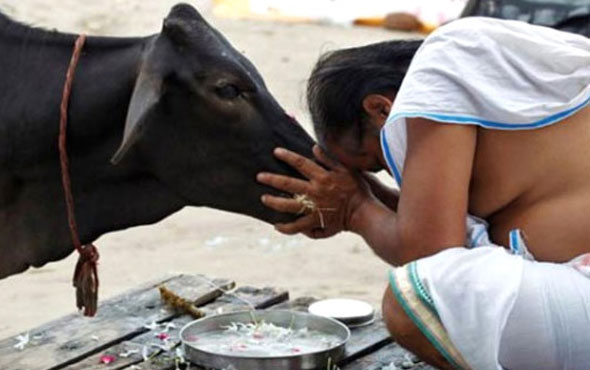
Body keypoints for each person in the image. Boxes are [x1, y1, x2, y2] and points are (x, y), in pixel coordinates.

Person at [256, 17, 590, 370]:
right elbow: (445, 231)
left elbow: (431, 257)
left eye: (376, 163)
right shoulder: (495, 103)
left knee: (412, 300)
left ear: (381, 109)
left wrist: (355, 209)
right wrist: (367, 197)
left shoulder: (442, 62)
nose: (395, 175)